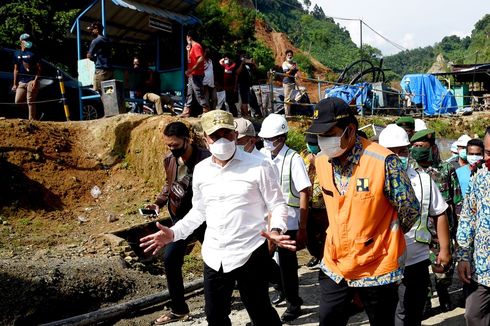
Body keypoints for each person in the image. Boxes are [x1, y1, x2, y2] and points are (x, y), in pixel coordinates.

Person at [140, 110, 294, 326]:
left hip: (249, 251)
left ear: (234, 135)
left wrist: (276, 229)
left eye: (227, 134)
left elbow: (277, 204)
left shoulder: (258, 166)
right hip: (215, 255)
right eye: (215, 135)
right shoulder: (202, 171)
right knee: (215, 315)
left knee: (260, 312)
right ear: (205, 139)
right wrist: (174, 233)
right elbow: (199, 211)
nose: (222, 140)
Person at [306, 97, 420, 326]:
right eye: (320, 135)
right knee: (328, 319)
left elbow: (410, 209)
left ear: (350, 130)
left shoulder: (383, 162)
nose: (324, 141)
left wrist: (384, 235)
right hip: (336, 261)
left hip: (377, 265)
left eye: (329, 133)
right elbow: (320, 204)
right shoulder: (320, 161)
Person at [379, 124, 451, 326]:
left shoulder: (423, 180)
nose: (397, 156)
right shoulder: (371, 180)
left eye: (401, 151)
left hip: (415, 259)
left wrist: (444, 249)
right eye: (390, 152)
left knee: (411, 313)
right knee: (386, 313)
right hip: (382, 260)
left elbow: (440, 213)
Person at [144, 122, 210, 325]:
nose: (172, 149)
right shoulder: (170, 160)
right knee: (171, 259)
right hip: (180, 220)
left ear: (187, 139)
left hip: (205, 218)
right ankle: (179, 309)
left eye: (175, 145)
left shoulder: (206, 160)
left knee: (219, 259)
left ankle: (279, 282)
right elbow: (169, 183)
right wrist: (158, 203)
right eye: (168, 146)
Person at [258, 113, 311, 322]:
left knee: (288, 263)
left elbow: (305, 191)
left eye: (270, 139)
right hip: (265, 218)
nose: (267, 143)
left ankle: (293, 302)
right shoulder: (261, 155)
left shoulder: (293, 159)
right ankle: (279, 286)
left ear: (281, 138)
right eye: (265, 139)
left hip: (288, 219)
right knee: (261, 258)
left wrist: (303, 227)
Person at [410, 129, 462, 313]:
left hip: (441, 232)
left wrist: (457, 232)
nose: (416, 150)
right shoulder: (409, 171)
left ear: (431, 147)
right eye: (414, 146)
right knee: (420, 270)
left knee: (443, 269)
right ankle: (425, 302)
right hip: (418, 232)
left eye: (420, 146)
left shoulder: (446, 170)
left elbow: (456, 201)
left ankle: (443, 292)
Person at [456, 126, 490, 326]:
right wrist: (462, 256)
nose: (488, 158)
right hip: (482, 266)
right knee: (473, 315)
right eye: (487, 152)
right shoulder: (479, 175)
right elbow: (467, 216)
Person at [302, 133, 328, 269]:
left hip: (324, 205)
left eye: (313, 144)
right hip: (309, 203)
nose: (310, 146)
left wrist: (317, 163)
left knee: (324, 235)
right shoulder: (304, 156)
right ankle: (317, 254)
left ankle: (323, 258)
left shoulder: (327, 157)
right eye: (309, 143)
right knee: (309, 236)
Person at [12, 33, 41, 120]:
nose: (28, 42)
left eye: (29, 40)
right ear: (21, 41)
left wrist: (35, 80)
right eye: (26, 40)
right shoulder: (16, 53)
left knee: (30, 100)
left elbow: (39, 68)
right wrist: (14, 84)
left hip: (31, 81)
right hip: (21, 81)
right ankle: (36, 112)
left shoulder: (34, 53)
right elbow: (15, 69)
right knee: (17, 101)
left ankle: (32, 120)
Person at [182, 30, 209, 118]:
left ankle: (206, 110)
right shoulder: (191, 47)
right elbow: (189, 60)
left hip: (196, 73)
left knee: (198, 92)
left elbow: (201, 58)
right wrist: (188, 50)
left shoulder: (196, 46)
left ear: (189, 37)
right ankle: (186, 111)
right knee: (189, 93)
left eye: (187, 37)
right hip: (192, 74)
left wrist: (191, 69)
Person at [87, 21, 113, 93]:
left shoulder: (96, 41)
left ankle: (104, 104)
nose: (91, 32)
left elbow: (89, 56)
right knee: (109, 92)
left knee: (100, 91)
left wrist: (94, 59)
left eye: (92, 30)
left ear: (97, 29)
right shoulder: (107, 40)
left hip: (100, 70)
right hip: (110, 70)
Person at [236, 53, 256, 118]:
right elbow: (237, 72)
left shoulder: (249, 65)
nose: (244, 58)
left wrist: (253, 63)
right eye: (243, 56)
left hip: (248, 85)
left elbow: (256, 71)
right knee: (243, 101)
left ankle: (247, 115)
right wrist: (242, 63)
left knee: (247, 101)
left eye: (245, 56)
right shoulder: (238, 63)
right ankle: (245, 116)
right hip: (241, 84)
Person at [282, 50, 299, 117]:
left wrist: (296, 73)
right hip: (287, 83)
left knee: (302, 91)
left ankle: (290, 113)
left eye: (291, 55)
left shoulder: (294, 63)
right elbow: (286, 74)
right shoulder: (285, 64)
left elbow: (296, 71)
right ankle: (287, 115)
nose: (290, 56)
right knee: (287, 99)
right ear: (286, 56)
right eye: (288, 55)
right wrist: (291, 69)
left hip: (293, 82)